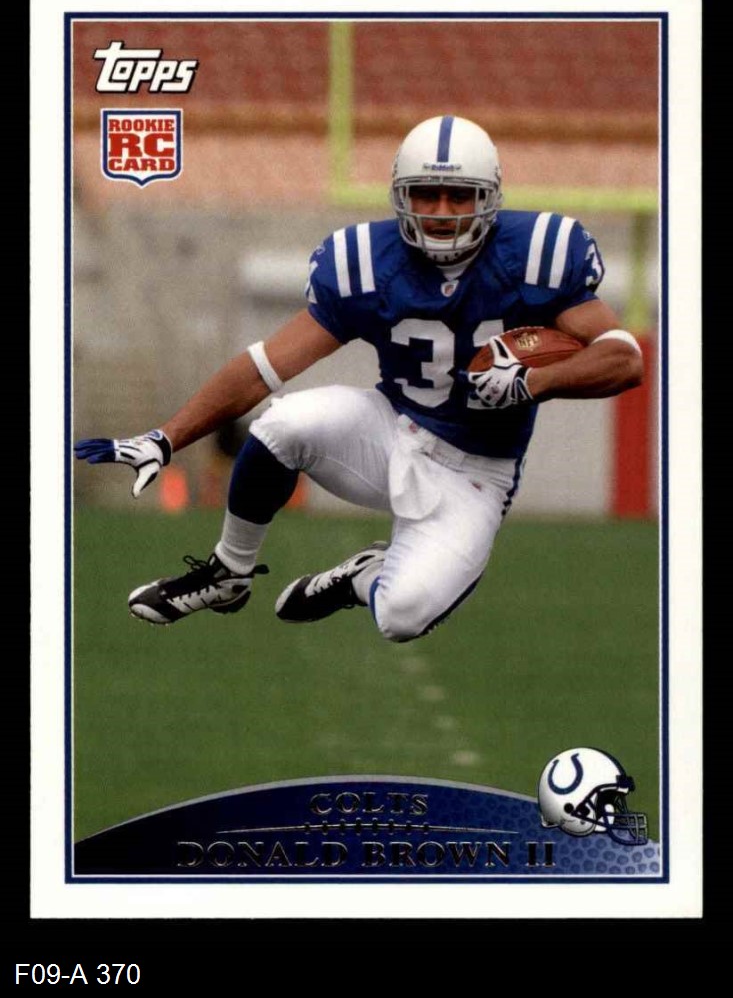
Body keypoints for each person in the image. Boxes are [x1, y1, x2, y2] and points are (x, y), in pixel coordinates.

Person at [75, 115, 643, 642]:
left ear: (490, 199)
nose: (442, 212)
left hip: (476, 473)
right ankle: (229, 571)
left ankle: (363, 576)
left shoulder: (537, 254)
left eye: (459, 195)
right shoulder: (368, 261)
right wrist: (165, 437)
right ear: (400, 196)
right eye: (426, 194)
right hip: (391, 429)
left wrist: (533, 382)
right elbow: (264, 366)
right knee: (282, 425)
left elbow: (622, 357)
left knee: (401, 616)